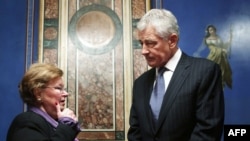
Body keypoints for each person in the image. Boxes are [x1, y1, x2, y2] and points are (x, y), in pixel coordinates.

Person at [127, 9, 224, 141]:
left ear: (172, 40)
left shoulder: (205, 71)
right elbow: (135, 132)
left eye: (150, 43)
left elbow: (208, 131)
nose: (143, 51)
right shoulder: (140, 83)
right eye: (141, 43)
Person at [7, 63, 80, 141]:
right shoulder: (27, 122)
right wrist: (67, 125)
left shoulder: (52, 122)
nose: (66, 94)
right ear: (38, 93)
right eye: (59, 88)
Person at [193, 24, 232, 89]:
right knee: (209, 70)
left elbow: (223, 46)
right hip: (214, 55)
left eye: (212, 29)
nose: (212, 31)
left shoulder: (218, 37)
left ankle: (219, 88)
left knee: (221, 72)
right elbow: (203, 47)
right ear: (208, 31)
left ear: (215, 30)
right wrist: (197, 52)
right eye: (210, 30)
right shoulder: (207, 39)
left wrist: (230, 38)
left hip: (221, 57)